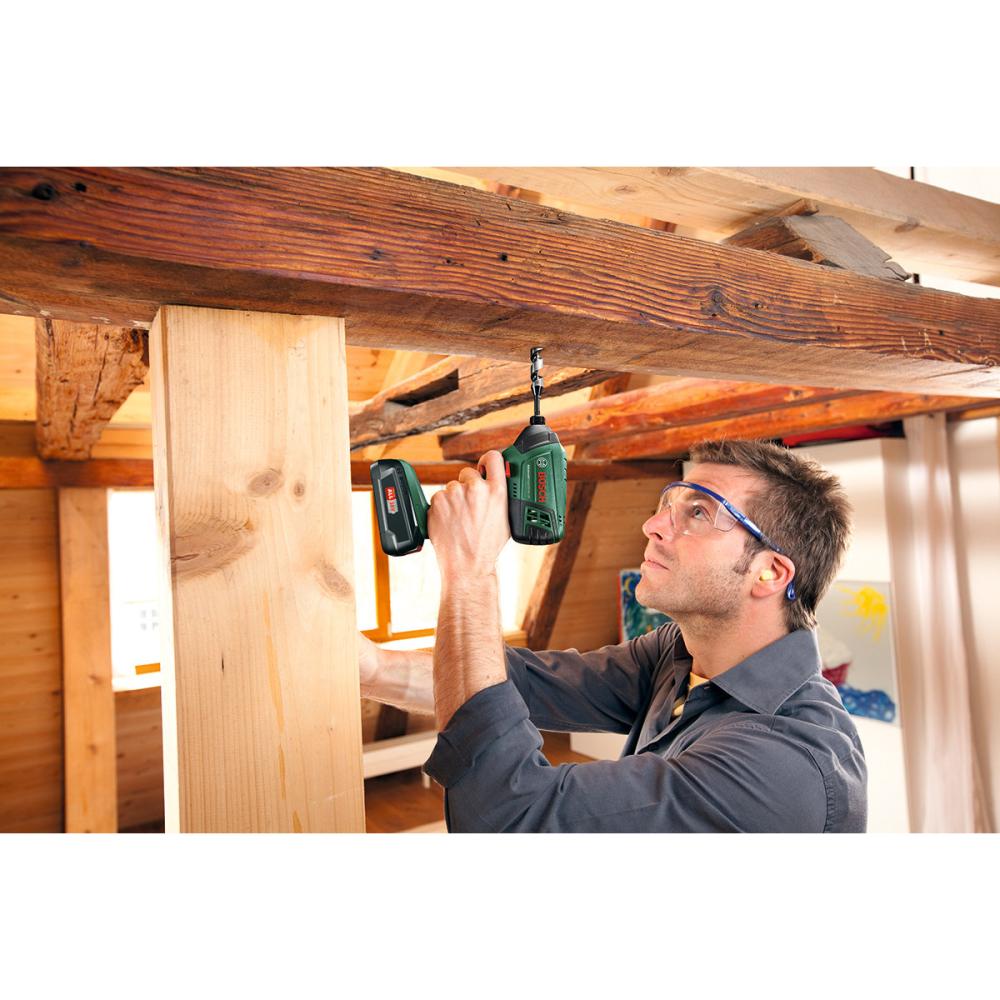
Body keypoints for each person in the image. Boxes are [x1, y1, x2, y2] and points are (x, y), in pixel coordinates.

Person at [358, 439, 867, 832]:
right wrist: (373, 669)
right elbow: (520, 683)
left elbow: (505, 816)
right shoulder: (680, 654)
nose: (652, 525)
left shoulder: (783, 764)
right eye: (669, 503)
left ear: (770, 573)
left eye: (699, 512)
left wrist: (469, 569)